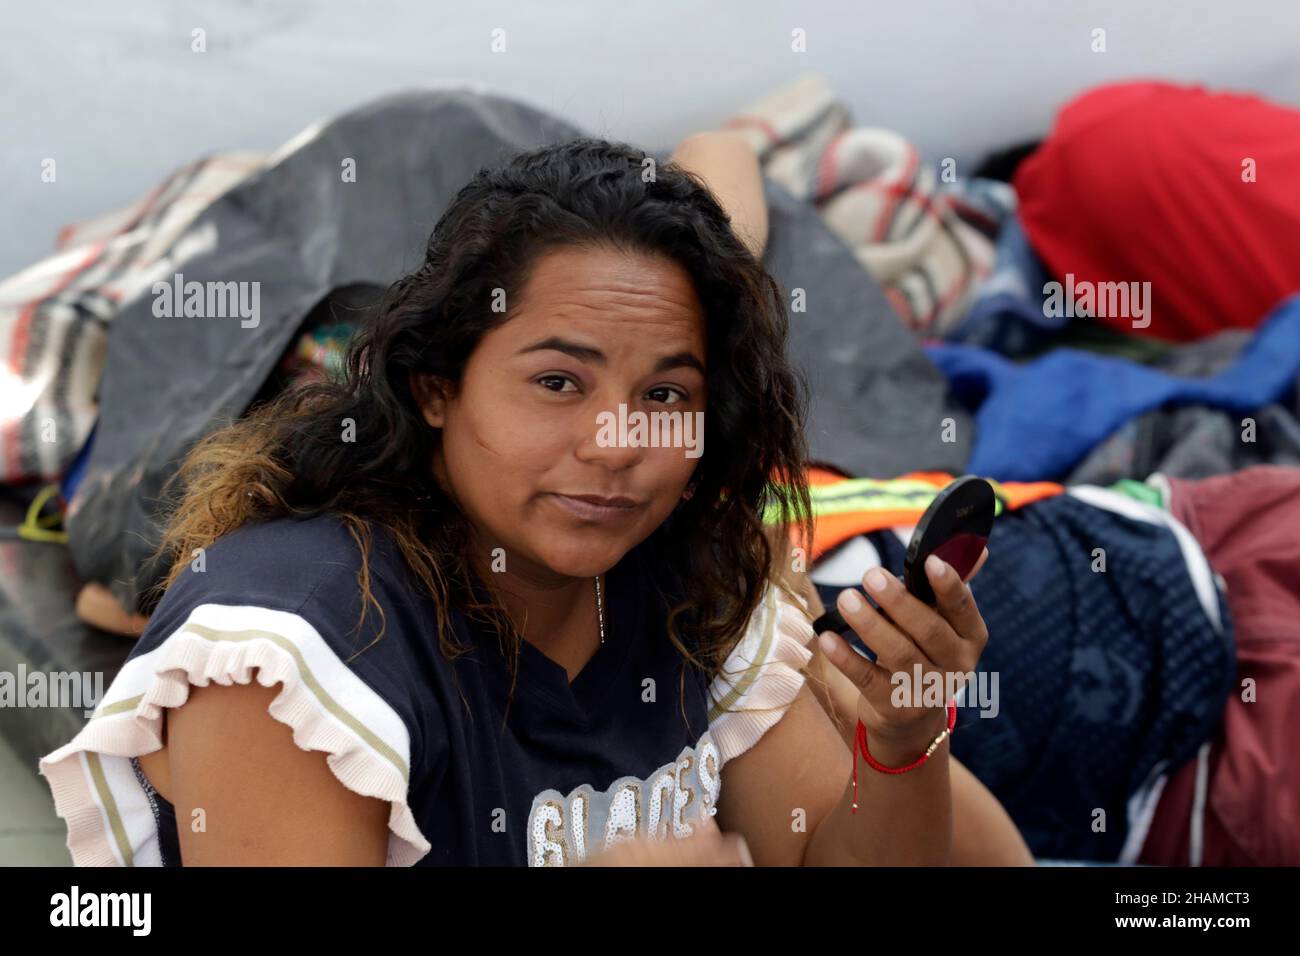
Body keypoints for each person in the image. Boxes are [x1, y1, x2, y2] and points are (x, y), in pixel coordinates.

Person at [39, 130, 1032, 866]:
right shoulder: (290, 654)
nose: (614, 444)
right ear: (437, 385)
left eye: (665, 395)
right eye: (558, 382)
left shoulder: (693, 581)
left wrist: (902, 739)